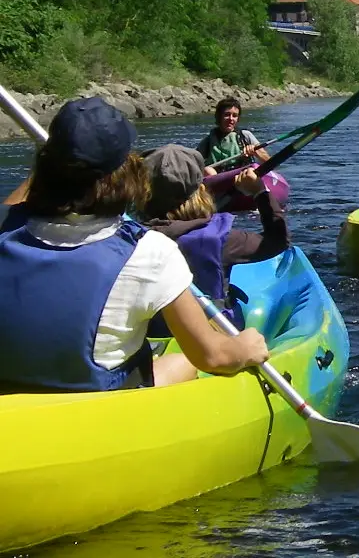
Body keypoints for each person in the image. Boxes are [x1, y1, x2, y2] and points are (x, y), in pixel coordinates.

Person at [0, 98, 268, 393]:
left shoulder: (7, 228)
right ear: (125, 173)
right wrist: (245, 347)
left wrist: (60, 156)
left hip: (13, 395)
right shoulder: (150, 252)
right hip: (94, 400)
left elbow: (19, 202)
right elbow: (213, 357)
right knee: (183, 363)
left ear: (47, 167)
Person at [139, 145, 289, 335]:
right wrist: (260, 192)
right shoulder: (221, 240)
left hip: (152, 334)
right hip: (215, 335)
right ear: (201, 189)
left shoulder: (130, 236)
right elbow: (278, 241)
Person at [196, 98, 269, 168]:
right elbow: (194, 162)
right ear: (219, 116)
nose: (231, 119)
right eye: (227, 115)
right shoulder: (208, 141)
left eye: (234, 116)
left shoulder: (245, 136)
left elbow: (268, 161)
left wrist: (255, 152)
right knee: (208, 170)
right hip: (217, 177)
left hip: (242, 175)